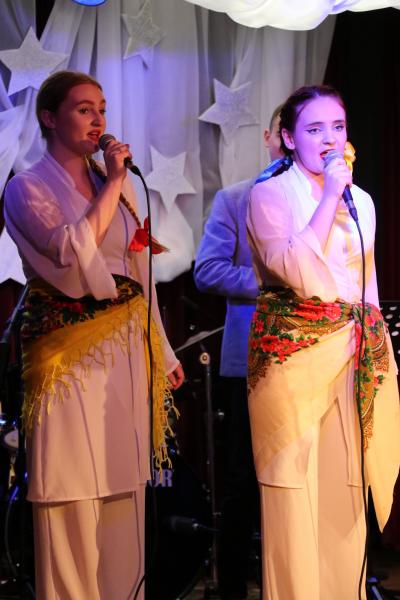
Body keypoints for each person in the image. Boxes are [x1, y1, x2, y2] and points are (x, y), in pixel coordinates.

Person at [4, 70, 184, 600]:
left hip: (124, 356)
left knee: (122, 491)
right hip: (67, 361)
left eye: (101, 108)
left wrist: (163, 350)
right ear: (49, 118)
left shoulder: (118, 189)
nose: (98, 119)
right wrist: (111, 184)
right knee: (71, 493)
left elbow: (139, 275)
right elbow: (70, 255)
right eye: (84, 109)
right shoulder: (27, 187)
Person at [246, 85, 400, 600]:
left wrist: (381, 359)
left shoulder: (363, 201)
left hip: (351, 357)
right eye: (314, 129)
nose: (330, 139)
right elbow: (296, 272)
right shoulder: (269, 195)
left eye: (338, 127)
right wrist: (330, 195)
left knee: (345, 489)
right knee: (294, 493)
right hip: (292, 363)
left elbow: (366, 286)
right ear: (289, 139)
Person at [194, 106, 282, 600]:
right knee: (243, 481)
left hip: (312, 357)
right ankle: (231, 589)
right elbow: (207, 270)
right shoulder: (236, 198)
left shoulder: (330, 203)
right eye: (286, 134)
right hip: (250, 358)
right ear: (270, 137)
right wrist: (276, 285)